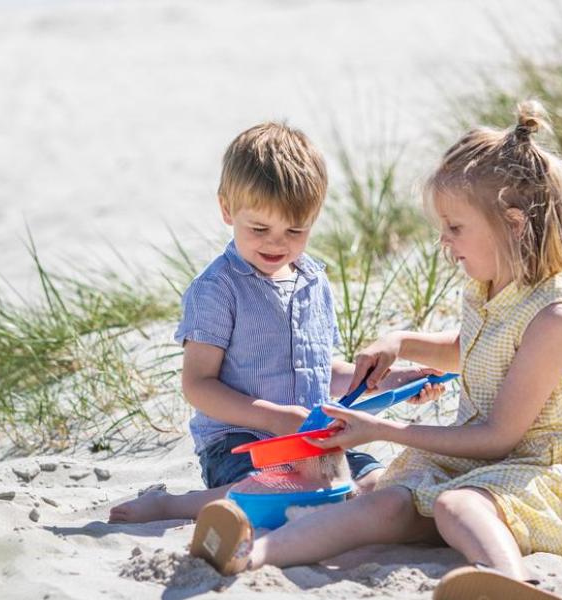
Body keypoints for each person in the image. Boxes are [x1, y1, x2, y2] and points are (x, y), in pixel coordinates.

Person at [188, 102, 562, 600]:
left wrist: (381, 430)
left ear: (514, 223)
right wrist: (401, 345)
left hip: (536, 470)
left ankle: (509, 585)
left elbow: (499, 436)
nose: (444, 242)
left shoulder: (555, 319)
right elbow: (472, 351)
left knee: (459, 506)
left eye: (455, 228)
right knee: (382, 504)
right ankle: (251, 555)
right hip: (479, 466)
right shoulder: (489, 288)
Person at [109, 122, 443, 524]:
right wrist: (274, 417)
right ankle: (171, 506)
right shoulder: (218, 288)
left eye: (295, 230)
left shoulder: (313, 281)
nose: (276, 243)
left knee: (380, 486)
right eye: (259, 229)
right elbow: (198, 385)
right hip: (244, 442)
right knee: (286, 493)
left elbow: (321, 373)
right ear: (227, 210)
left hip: (312, 436)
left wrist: (394, 380)